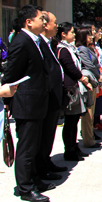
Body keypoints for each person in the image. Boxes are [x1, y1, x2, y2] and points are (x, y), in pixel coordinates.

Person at [2, 5, 53, 202]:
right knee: (27, 148)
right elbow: (11, 75)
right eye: (41, 18)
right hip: (27, 103)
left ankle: (35, 180)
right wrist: (8, 100)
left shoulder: (35, 40)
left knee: (35, 146)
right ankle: (25, 188)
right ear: (29, 22)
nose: (44, 22)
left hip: (37, 103)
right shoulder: (21, 41)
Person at [35, 12, 67, 182]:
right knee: (43, 136)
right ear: (45, 25)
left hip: (54, 96)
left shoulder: (49, 43)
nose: (57, 26)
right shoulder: (38, 43)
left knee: (49, 135)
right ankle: (42, 168)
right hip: (46, 98)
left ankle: (46, 161)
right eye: (55, 23)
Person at [55, 22, 92, 161]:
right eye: (71, 32)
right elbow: (70, 68)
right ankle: (69, 150)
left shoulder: (71, 48)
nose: (74, 34)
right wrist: (82, 78)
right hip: (70, 90)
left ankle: (74, 147)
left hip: (75, 87)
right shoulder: (63, 50)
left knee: (75, 120)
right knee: (70, 122)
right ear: (63, 34)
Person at [76, 27, 102, 149]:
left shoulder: (89, 48)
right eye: (89, 35)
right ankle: (88, 139)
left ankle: (89, 135)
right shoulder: (82, 49)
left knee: (91, 112)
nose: (91, 37)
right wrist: (98, 75)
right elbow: (89, 65)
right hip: (89, 81)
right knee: (88, 113)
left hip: (93, 79)